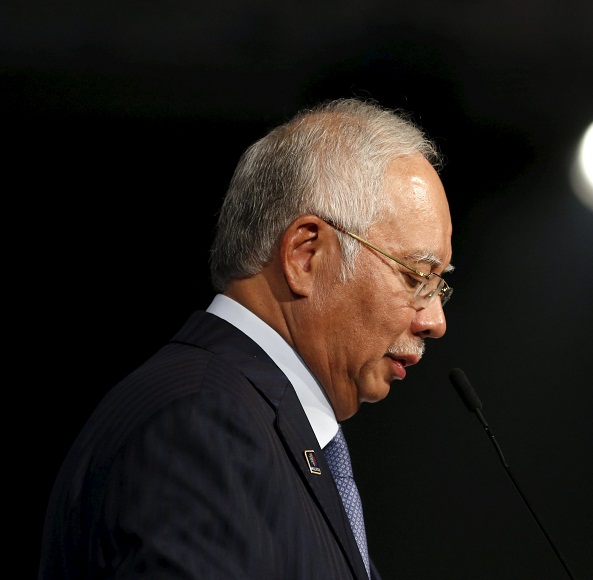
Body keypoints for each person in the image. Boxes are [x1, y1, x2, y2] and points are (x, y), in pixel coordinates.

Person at [39, 97, 454, 579]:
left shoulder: (250, 422)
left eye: (440, 284)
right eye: (416, 276)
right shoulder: (202, 423)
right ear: (305, 255)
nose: (435, 320)